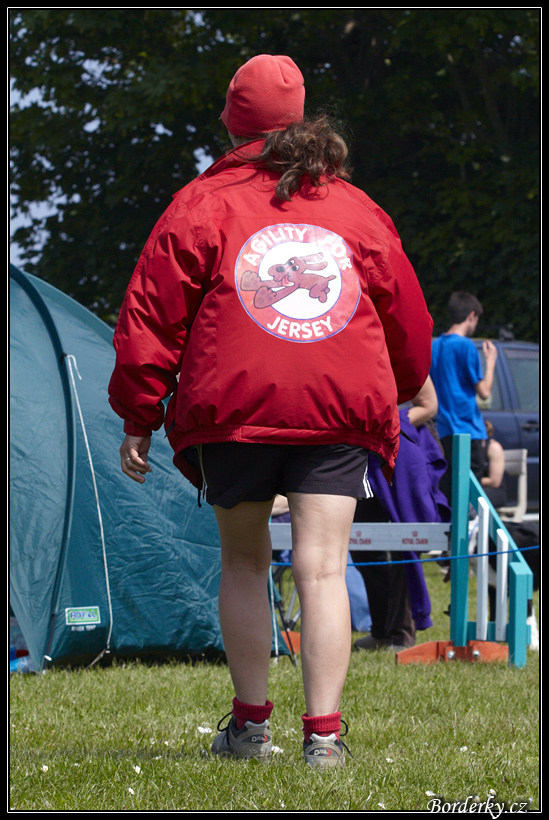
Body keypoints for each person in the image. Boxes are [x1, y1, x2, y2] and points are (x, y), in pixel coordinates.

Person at [108, 54, 433, 767]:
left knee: (244, 564)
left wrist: (139, 409)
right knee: (322, 567)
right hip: (338, 406)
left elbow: (151, 315)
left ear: (233, 121)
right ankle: (324, 740)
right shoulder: (355, 208)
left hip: (235, 408)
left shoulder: (199, 203)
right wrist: (411, 383)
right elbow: (404, 311)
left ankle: (250, 729)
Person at [352, 376, 451, 651]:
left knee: (405, 544)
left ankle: (401, 634)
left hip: (403, 449)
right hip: (360, 454)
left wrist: (391, 423)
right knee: (361, 545)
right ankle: (381, 630)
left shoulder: (400, 350)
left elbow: (429, 405)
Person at [430, 292, 498, 505]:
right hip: (468, 431)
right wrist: (491, 361)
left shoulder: (434, 346)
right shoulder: (466, 346)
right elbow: (484, 391)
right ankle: (469, 537)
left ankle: (449, 536)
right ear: (471, 315)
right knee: (471, 497)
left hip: (443, 431)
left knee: (448, 492)